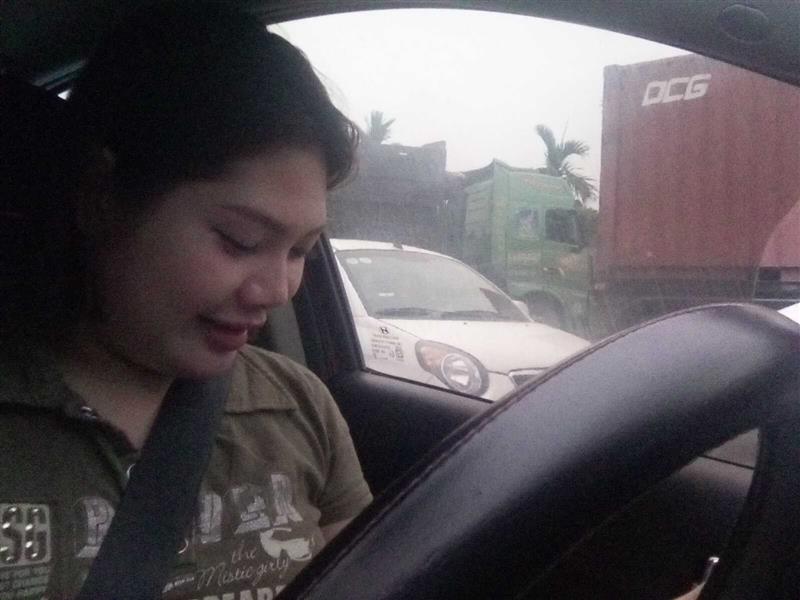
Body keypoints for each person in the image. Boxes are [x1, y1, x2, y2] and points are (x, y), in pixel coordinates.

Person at [0, 3, 372, 598]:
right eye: (240, 240)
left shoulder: (300, 406)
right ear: (100, 195)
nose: (278, 291)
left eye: (301, 250)